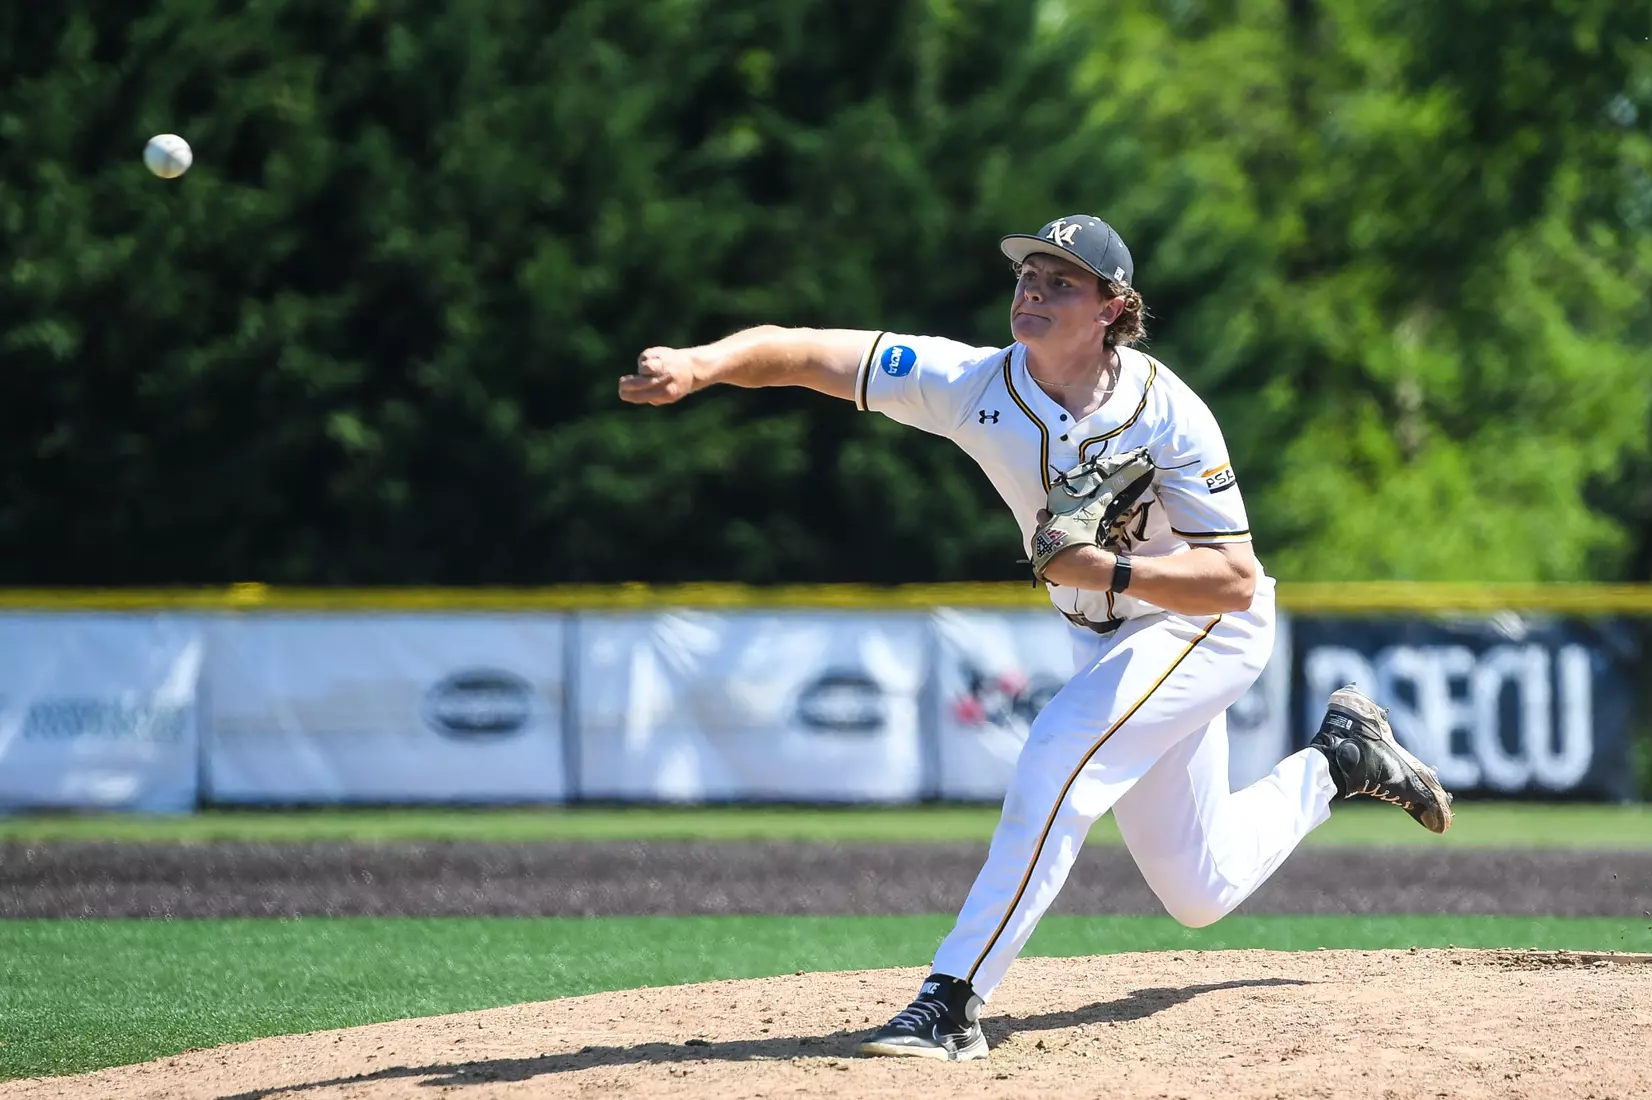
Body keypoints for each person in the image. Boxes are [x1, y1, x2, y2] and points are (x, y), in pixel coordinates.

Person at [618, 214, 1453, 1063]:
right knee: (1201, 890)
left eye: (1061, 280)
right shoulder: (973, 382)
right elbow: (805, 352)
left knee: (1057, 754)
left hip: (1207, 628)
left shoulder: (1169, 413)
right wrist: (702, 365)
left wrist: (1108, 573)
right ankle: (1339, 760)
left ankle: (952, 1001)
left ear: (1111, 306)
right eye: (1028, 275)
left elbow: (1235, 580)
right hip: (1116, 638)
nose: (1033, 290)